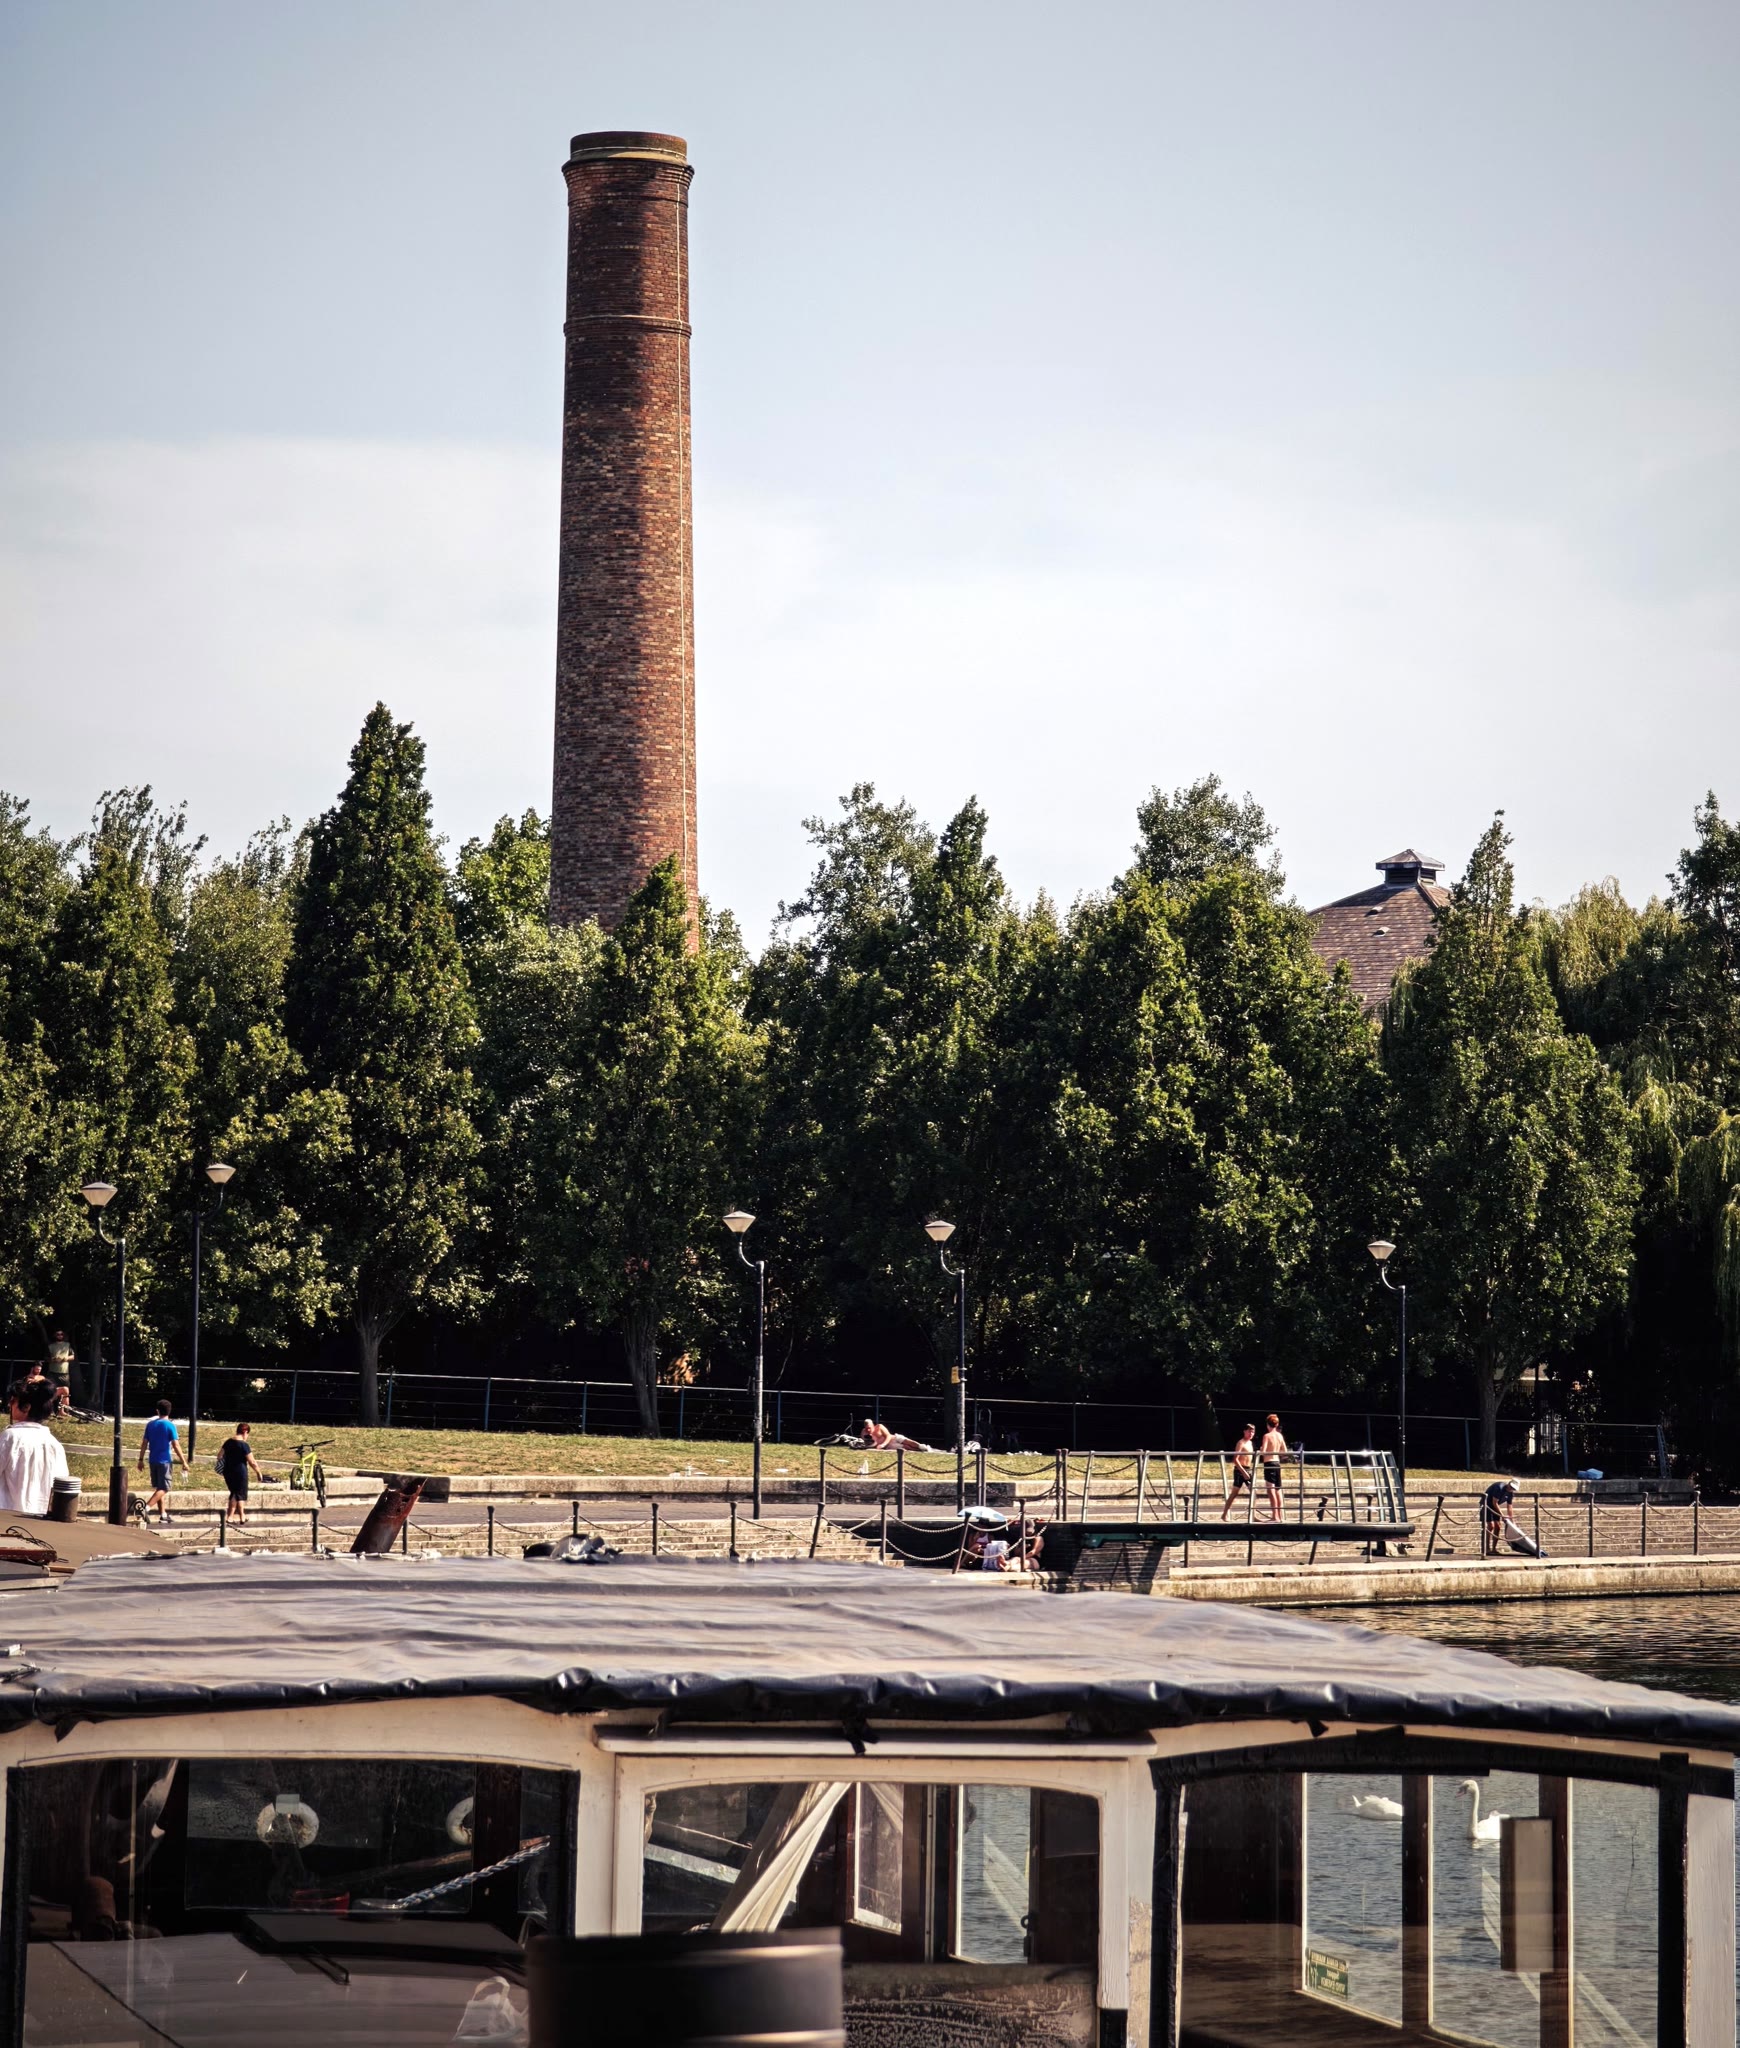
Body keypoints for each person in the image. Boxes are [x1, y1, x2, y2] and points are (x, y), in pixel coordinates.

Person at [0, 1377, 70, 1515]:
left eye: (13, 1401)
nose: (9, 1405)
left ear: (26, 1407)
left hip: (8, 1517)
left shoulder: (10, 1437)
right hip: (40, 1519)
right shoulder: (54, 1444)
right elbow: (62, 1487)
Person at [137, 1399, 188, 1525]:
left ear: (157, 1411)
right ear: (170, 1411)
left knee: (159, 1488)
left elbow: (144, 1443)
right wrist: (184, 1461)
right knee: (165, 1488)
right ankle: (146, 1508)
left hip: (152, 1460)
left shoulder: (150, 1425)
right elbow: (176, 1445)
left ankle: (163, 1515)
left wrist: (140, 1459)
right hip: (165, 1460)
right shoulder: (170, 1426)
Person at [217, 1422, 262, 1523]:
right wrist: (258, 1472)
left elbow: (219, 1456)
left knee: (238, 1493)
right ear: (245, 1432)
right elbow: (252, 1462)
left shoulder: (228, 1442)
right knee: (237, 1493)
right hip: (240, 1472)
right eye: (248, 1434)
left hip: (228, 1471)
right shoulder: (244, 1445)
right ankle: (230, 1516)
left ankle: (242, 1516)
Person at [1219, 1425, 1257, 1519]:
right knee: (1234, 1494)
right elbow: (1235, 1459)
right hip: (1240, 1470)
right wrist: (1243, 1472)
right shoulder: (1241, 1443)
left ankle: (1253, 1515)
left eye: (1252, 1432)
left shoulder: (1250, 1443)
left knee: (1254, 1491)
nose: (1251, 1434)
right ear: (1244, 1431)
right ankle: (1224, 1514)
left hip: (1248, 1469)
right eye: (1249, 1431)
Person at [1482, 1478, 1525, 1554]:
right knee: (1491, 1526)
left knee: (1498, 1526)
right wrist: (1502, 1515)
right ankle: (1487, 1548)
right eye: (1511, 1487)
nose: (1511, 1489)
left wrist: (1512, 1520)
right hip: (1487, 1504)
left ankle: (1494, 1548)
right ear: (1509, 1484)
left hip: (1495, 1507)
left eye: (1513, 1489)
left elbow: (1509, 1507)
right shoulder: (1499, 1488)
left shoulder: (1510, 1493)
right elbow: (1494, 1502)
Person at [1259, 1414, 1289, 1522]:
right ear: (1277, 1424)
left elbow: (1264, 1452)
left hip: (1269, 1463)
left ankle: (1275, 1516)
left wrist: (1261, 1449)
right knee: (1278, 1489)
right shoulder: (1280, 1436)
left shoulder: (1267, 1436)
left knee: (1270, 1490)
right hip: (1277, 1463)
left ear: (1268, 1424)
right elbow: (1284, 1452)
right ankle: (1280, 1516)